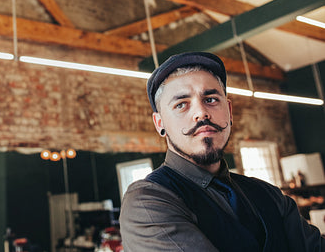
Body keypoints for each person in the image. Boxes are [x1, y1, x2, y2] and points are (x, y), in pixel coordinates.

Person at [119, 51, 325, 252]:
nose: (201, 113)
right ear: (160, 123)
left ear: (229, 110)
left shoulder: (269, 195)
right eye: (181, 104)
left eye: (210, 99)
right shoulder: (147, 202)